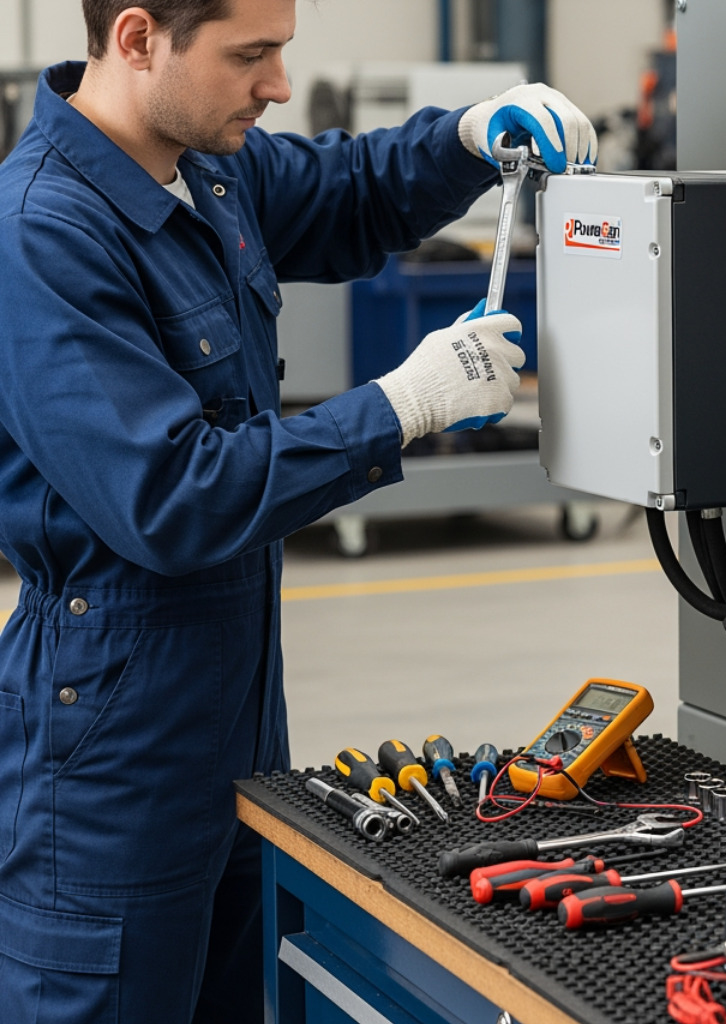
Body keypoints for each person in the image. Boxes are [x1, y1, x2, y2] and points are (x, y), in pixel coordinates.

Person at [0, 1, 595, 1021]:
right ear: (138, 39)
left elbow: (349, 192)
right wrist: (400, 407)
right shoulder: (43, 232)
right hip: (109, 761)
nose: (278, 84)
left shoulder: (208, 166)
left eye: (282, 51)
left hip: (240, 729)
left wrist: (464, 134)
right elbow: (171, 497)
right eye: (251, 56)